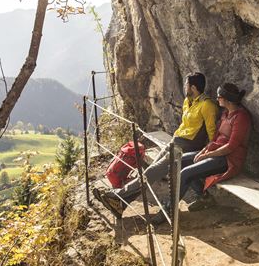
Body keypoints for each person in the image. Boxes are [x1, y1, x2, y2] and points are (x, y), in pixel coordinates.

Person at [93, 72, 218, 218]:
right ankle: (120, 204)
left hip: (187, 147)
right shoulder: (188, 101)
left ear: (193, 87)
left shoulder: (207, 105)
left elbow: (212, 132)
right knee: (151, 171)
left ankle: (117, 197)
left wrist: (209, 155)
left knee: (152, 173)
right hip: (176, 142)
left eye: (187, 84)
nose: (185, 87)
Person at [152, 82, 251, 222]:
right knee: (180, 161)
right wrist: (203, 151)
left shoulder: (241, 117)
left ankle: (168, 210)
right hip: (216, 153)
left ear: (227, 99)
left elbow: (231, 147)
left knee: (185, 173)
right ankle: (204, 198)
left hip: (229, 159)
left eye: (219, 97)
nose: (217, 100)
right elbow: (215, 138)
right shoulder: (225, 114)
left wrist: (207, 155)